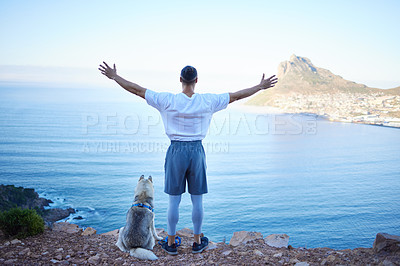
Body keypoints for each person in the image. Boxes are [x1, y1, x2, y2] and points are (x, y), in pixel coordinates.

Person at [98, 62, 278, 255]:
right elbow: (235, 96)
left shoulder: (167, 100)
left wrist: (115, 77)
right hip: (197, 151)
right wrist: (259, 87)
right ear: (197, 81)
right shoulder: (207, 101)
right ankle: (197, 241)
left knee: (173, 201)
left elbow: (137, 90)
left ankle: (171, 242)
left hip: (176, 151)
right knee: (197, 201)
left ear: (181, 80)